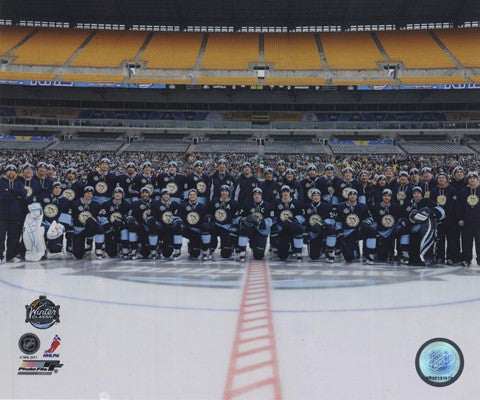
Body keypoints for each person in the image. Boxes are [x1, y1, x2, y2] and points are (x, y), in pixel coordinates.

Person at [336, 189, 376, 264]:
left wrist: (365, 223)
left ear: (357, 196)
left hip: (359, 230)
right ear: (348, 196)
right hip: (347, 233)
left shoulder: (362, 206)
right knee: (348, 257)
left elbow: (370, 218)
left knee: (371, 230)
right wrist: (339, 232)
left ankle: (370, 253)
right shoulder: (341, 206)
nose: (352, 196)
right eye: (351, 195)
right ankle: (353, 248)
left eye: (354, 195)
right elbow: (338, 221)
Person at [237, 188, 274, 261]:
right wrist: (245, 220)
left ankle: (255, 246)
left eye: (258, 194)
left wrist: (259, 222)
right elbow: (239, 218)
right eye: (255, 194)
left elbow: (270, 221)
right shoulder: (247, 205)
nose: (257, 196)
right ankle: (242, 251)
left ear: (261, 196)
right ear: (253, 196)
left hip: (261, 232)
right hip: (251, 230)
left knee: (258, 256)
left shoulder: (268, 206)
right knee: (243, 228)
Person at [176, 188, 212, 260]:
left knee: (195, 254)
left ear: (197, 196)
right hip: (187, 229)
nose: (192, 196)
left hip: (197, 230)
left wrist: (207, 218)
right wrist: (181, 224)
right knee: (177, 226)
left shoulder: (202, 206)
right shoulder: (183, 205)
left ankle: (205, 249)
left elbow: (207, 216)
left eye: (194, 194)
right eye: (190, 194)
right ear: (188, 196)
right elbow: (178, 217)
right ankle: (177, 249)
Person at [0, 164, 26, 263]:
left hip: (15, 215)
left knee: (14, 236)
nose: (11, 172)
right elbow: (2, 196)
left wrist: (9, 192)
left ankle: (11, 255)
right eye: (9, 170)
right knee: (0, 236)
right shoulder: (1, 182)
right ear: (6, 172)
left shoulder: (19, 183)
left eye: (14, 171)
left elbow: (23, 194)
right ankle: (0, 256)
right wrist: (15, 194)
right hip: (2, 214)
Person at [70, 186, 105, 260]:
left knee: (99, 227)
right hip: (79, 230)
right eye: (87, 193)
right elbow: (70, 216)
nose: (89, 195)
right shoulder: (75, 203)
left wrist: (94, 219)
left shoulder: (96, 204)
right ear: (84, 193)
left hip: (91, 228)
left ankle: (98, 248)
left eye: (91, 193)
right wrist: (70, 229)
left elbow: (101, 216)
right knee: (78, 255)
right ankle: (84, 244)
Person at [271, 185, 305, 261]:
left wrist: (294, 220)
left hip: (293, 228)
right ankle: (279, 246)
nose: (285, 193)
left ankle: (298, 250)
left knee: (298, 227)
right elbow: (273, 216)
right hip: (282, 229)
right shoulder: (276, 202)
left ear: (290, 192)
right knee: (282, 256)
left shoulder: (297, 203)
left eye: (287, 191)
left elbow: (302, 216)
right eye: (283, 191)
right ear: (281, 193)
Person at [431, 172, 459, 264]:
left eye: (443, 177)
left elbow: (454, 204)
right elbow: (432, 203)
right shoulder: (434, 190)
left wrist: (446, 213)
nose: (441, 179)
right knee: (439, 239)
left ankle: (451, 257)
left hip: (450, 219)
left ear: (446, 179)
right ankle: (440, 257)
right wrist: (438, 214)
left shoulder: (452, 189)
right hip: (438, 219)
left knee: (451, 239)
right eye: (439, 178)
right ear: (437, 180)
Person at [371, 189, 404, 262]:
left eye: (388, 196)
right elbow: (374, 220)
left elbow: (399, 218)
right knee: (383, 256)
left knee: (402, 230)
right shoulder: (376, 207)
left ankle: (401, 253)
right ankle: (376, 252)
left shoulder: (396, 206)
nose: (386, 198)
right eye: (385, 196)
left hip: (392, 231)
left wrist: (397, 227)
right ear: (382, 196)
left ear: (391, 197)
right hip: (381, 232)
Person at [304, 189, 336, 262]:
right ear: (311, 197)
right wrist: (306, 231)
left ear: (320, 197)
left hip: (324, 230)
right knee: (314, 257)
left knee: (330, 228)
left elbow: (332, 220)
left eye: (317, 196)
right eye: (314, 196)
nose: (316, 197)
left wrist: (322, 223)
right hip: (313, 231)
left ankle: (329, 250)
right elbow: (305, 220)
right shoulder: (307, 206)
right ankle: (321, 248)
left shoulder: (326, 206)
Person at [99, 187, 130, 259]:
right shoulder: (106, 204)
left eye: (120, 193)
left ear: (122, 195)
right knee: (111, 253)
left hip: (122, 226)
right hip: (110, 228)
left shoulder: (127, 205)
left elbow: (128, 216)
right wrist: (108, 226)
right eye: (116, 193)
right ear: (113, 194)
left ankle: (125, 246)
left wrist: (121, 222)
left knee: (125, 229)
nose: (118, 194)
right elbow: (102, 216)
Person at [456, 171, 480, 267]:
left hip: (479, 221)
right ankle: (467, 259)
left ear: (477, 179)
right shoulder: (463, 191)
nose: (472, 179)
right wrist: (460, 218)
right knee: (466, 242)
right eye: (470, 178)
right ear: (468, 180)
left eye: (474, 178)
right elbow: (458, 207)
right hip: (466, 221)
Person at [209, 185, 240, 259]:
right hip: (216, 225)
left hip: (227, 227)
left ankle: (230, 246)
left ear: (228, 193)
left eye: (226, 191)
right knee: (208, 228)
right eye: (222, 191)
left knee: (225, 255)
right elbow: (209, 213)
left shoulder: (234, 203)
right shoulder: (214, 201)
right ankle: (211, 248)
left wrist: (233, 228)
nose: (224, 193)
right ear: (220, 192)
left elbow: (236, 217)